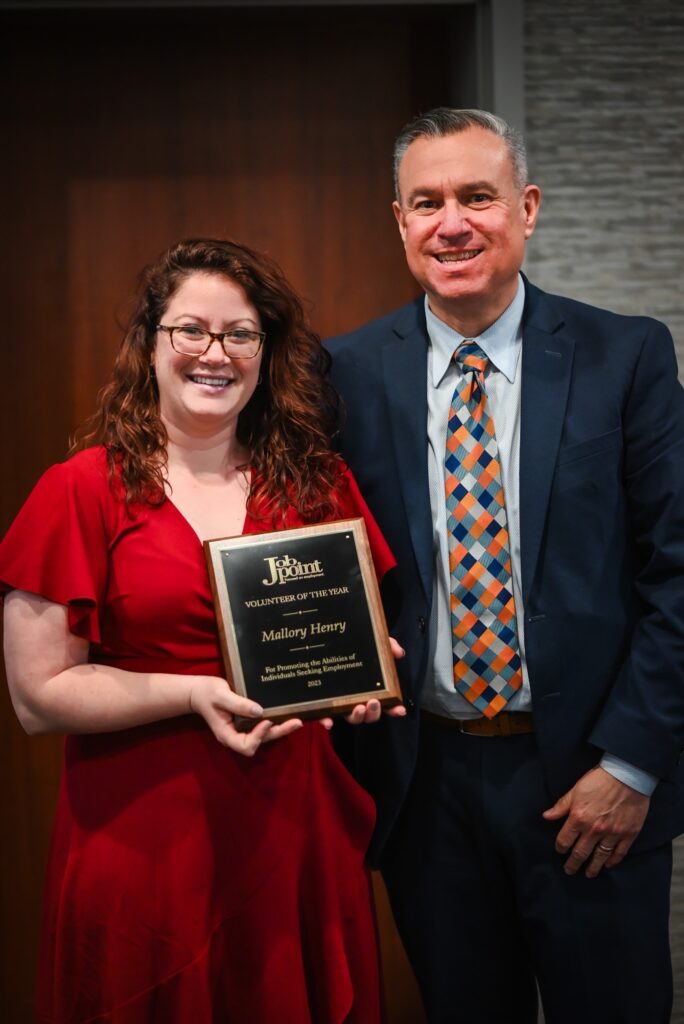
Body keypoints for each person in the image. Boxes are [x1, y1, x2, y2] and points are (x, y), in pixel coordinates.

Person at [327, 108, 684, 1024]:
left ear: (526, 208)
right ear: (399, 221)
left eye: (477, 198)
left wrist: (633, 765)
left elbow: (677, 572)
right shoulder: (344, 373)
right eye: (427, 203)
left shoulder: (626, 356)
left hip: (589, 782)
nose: (452, 223)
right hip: (426, 786)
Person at [0, 238, 401, 1024]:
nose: (215, 354)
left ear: (265, 353)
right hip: (145, 843)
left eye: (240, 334)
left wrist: (363, 677)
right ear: (150, 343)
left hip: (295, 837)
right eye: (191, 330)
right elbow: (38, 698)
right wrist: (192, 695)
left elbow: (358, 640)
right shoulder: (79, 490)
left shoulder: (317, 484)